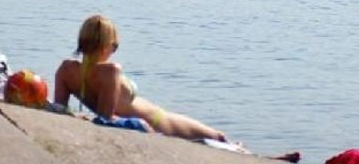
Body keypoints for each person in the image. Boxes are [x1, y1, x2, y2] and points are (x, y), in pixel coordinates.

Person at [54, 15, 300, 162]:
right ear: (107, 45)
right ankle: (265, 160)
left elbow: (58, 111)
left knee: (216, 139)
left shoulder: (66, 70)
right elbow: (106, 119)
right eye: (114, 45)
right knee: (216, 139)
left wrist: (78, 117)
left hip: (160, 117)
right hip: (159, 122)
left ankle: (262, 159)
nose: (115, 49)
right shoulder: (111, 71)